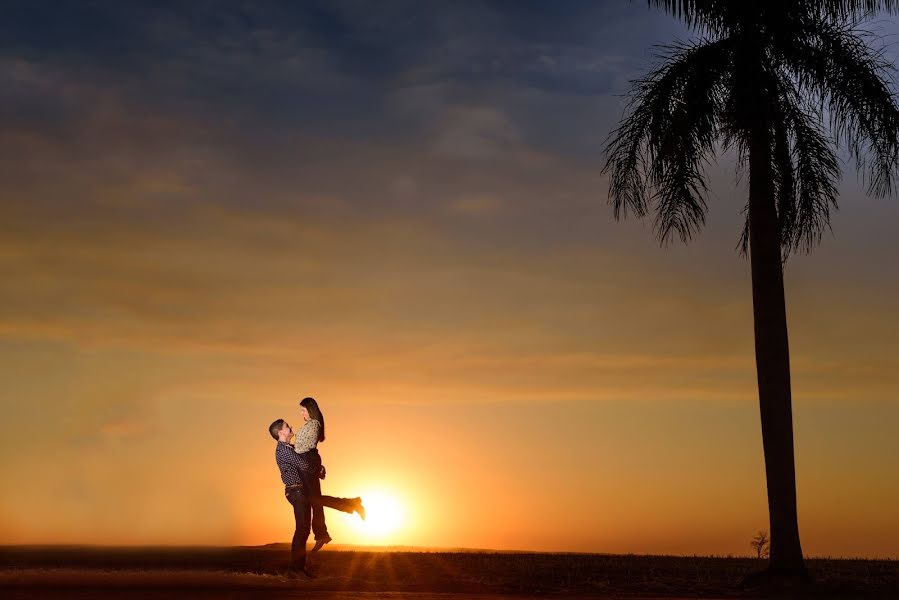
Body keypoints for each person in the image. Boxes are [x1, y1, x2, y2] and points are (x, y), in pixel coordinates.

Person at [269, 418, 364, 577]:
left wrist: (318, 467)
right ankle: (295, 570)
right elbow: (304, 465)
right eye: (286, 426)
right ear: (280, 432)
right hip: (296, 492)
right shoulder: (284, 450)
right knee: (302, 530)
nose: (290, 426)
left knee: (308, 522)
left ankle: (353, 505)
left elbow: (306, 463)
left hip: (300, 491)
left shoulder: (289, 448)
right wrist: (317, 468)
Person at [291, 396, 365, 552]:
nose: (302, 414)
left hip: (307, 463)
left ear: (310, 410)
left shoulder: (312, 425)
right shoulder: (312, 424)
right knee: (315, 501)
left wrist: (288, 448)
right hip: (309, 462)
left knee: (315, 500)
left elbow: (300, 448)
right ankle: (322, 533)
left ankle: (351, 504)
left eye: (303, 410)